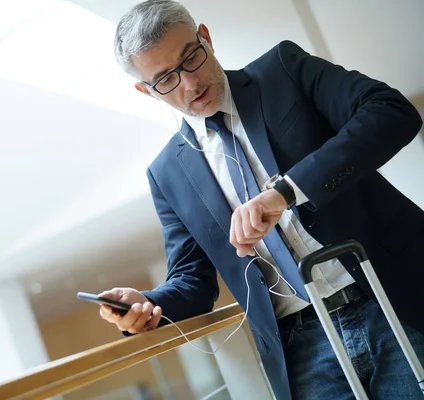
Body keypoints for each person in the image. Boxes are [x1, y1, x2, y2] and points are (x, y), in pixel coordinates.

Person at [97, 1, 424, 399]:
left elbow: (391, 112)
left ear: (206, 37)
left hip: (391, 300)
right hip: (303, 350)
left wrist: (285, 192)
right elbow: (194, 282)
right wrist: (148, 303)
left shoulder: (282, 70)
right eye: (166, 78)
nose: (190, 84)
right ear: (145, 91)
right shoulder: (166, 174)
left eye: (191, 58)